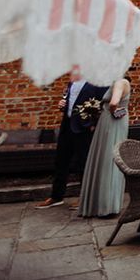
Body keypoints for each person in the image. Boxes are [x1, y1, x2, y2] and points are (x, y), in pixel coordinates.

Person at [36, 69, 107, 209]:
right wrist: (63, 104)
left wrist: (93, 124)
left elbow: (102, 104)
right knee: (60, 161)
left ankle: (84, 198)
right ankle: (56, 197)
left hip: (84, 128)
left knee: (83, 163)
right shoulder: (73, 80)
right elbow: (70, 99)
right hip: (67, 125)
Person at [78, 76, 131, 217]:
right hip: (109, 121)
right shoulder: (116, 82)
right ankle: (100, 203)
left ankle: (106, 205)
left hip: (111, 123)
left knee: (108, 160)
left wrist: (115, 113)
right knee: (104, 160)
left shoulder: (120, 82)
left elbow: (114, 103)